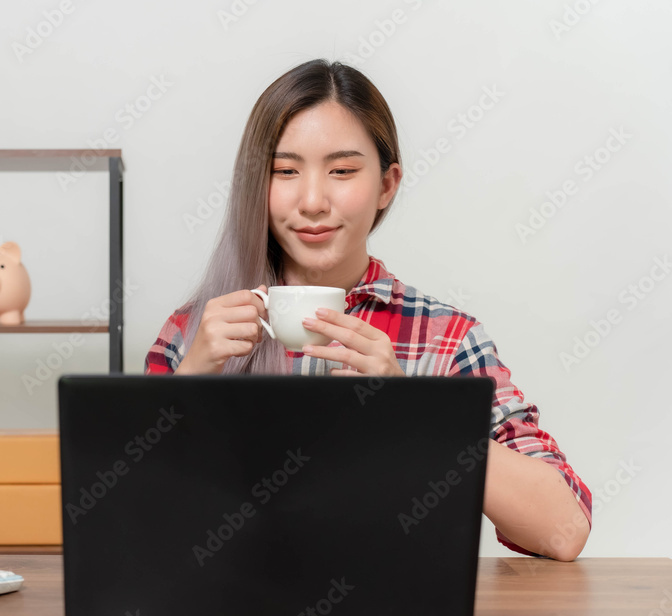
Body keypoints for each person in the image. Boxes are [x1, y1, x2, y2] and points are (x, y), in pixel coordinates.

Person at [144, 59, 591, 561]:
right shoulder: (195, 333)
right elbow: (134, 528)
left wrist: (415, 414)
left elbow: (565, 527)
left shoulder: (445, 340)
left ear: (386, 184)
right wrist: (189, 385)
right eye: (285, 171)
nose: (312, 201)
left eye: (342, 171)